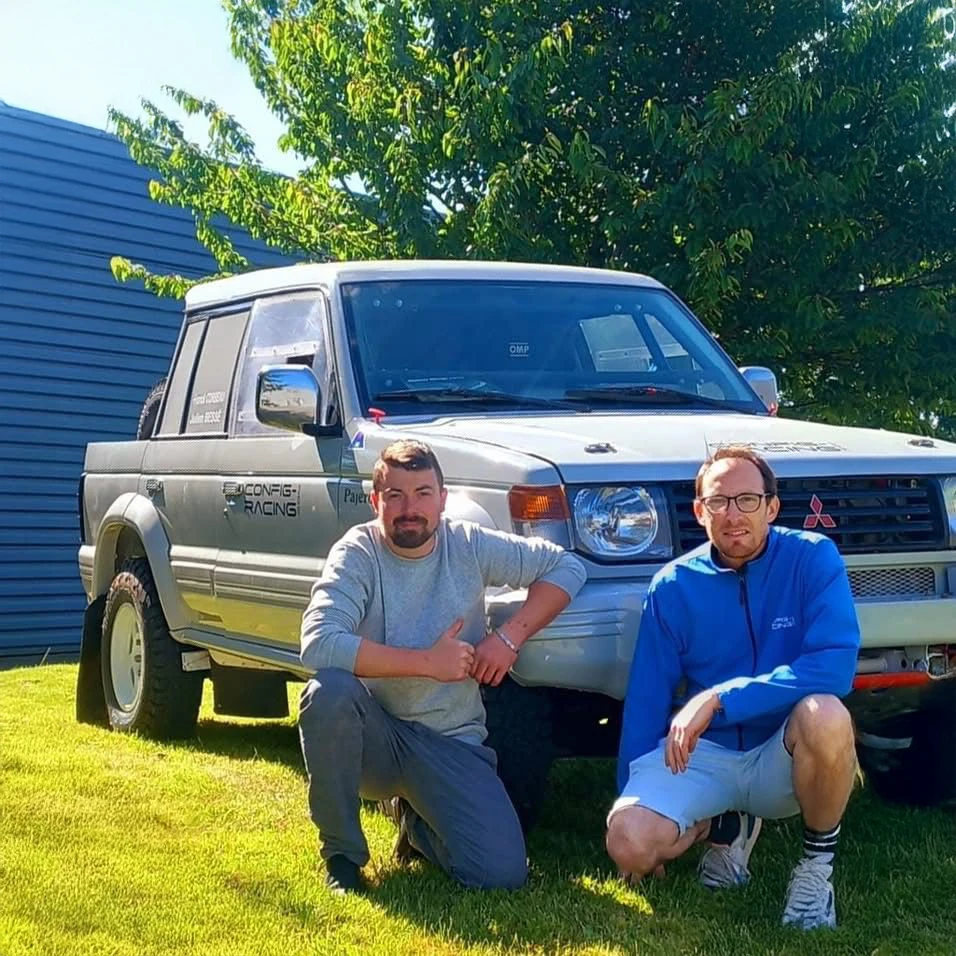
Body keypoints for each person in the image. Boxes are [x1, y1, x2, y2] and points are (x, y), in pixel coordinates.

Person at [298, 439, 587, 894]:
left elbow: (566, 568)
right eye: (395, 495)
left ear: (443, 499)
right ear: (376, 501)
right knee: (327, 693)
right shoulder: (357, 552)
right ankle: (342, 858)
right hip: (376, 736)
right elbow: (318, 643)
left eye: (422, 493)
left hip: (452, 741)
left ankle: (416, 823)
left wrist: (509, 637)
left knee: (500, 874)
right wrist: (427, 663)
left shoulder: (467, 543)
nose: (409, 508)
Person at [606, 446, 861, 930]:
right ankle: (723, 827)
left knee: (825, 713)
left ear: (771, 507)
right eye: (719, 502)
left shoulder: (813, 559)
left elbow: (834, 669)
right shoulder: (672, 586)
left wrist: (721, 698)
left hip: (781, 754)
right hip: (705, 755)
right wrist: (634, 800)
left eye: (747, 500)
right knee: (629, 844)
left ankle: (813, 872)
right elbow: (646, 703)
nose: (733, 515)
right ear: (699, 511)